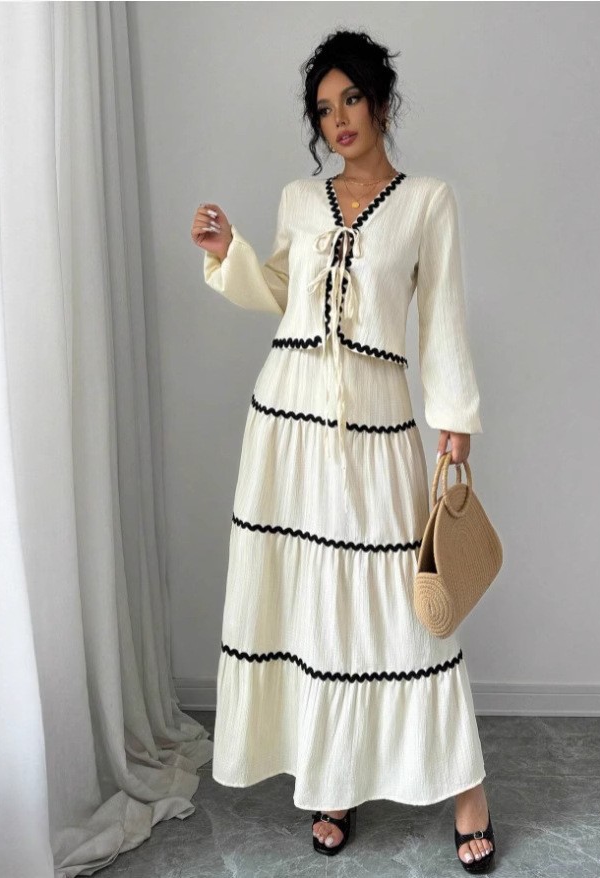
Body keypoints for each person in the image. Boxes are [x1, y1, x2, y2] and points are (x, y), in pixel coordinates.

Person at [189, 29, 496, 873]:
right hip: (287, 421)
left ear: (382, 102)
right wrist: (228, 255)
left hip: (375, 419)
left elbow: (442, 317)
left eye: (351, 99)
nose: (339, 120)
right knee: (312, 601)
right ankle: (334, 780)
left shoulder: (428, 200)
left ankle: (468, 790)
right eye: (324, 110)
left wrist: (455, 416)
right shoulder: (298, 198)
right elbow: (281, 293)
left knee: (406, 606)